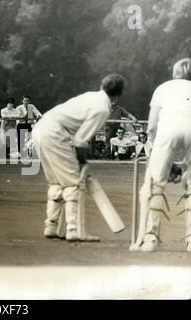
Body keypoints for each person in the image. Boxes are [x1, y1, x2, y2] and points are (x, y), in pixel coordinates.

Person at [32, 74, 126, 241]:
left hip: (40, 128)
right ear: (119, 95)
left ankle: (51, 226)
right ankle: (74, 230)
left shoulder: (91, 95)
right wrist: (83, 164)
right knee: (73, 182)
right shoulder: (102, 109)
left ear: (102, 86)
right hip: (54, 132)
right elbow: (81, 141)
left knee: (56, 182)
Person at [136, 58, 191, 252]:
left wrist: (157, 156)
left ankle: (151, 237)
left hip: (167, 131)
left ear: (175, 72)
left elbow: (151, 127)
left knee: (156, 185)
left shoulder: (163, 88)